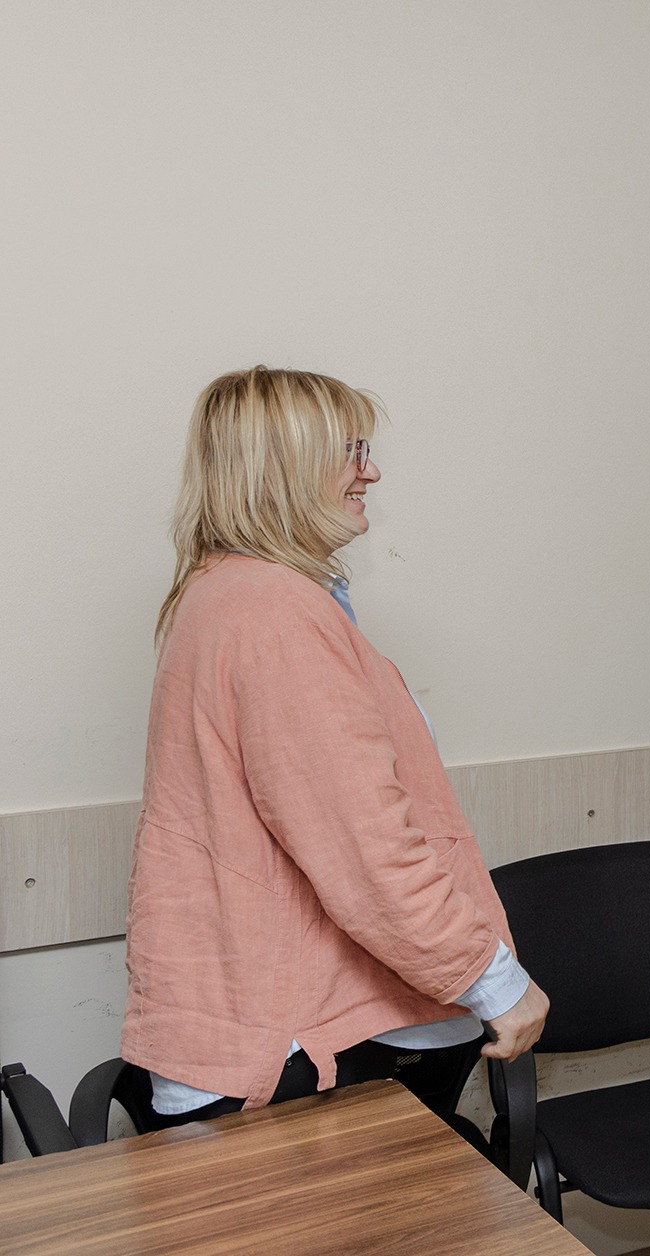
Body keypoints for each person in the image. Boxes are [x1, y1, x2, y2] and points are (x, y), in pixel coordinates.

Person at [123, 367, 549, 1134]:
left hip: (278, 1025)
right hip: (293, 1050)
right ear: (287, 466)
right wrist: (495, 982)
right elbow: (365, 847)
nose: (370, 471)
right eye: (351, 450)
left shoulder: (229, 594)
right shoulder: (273, 613)